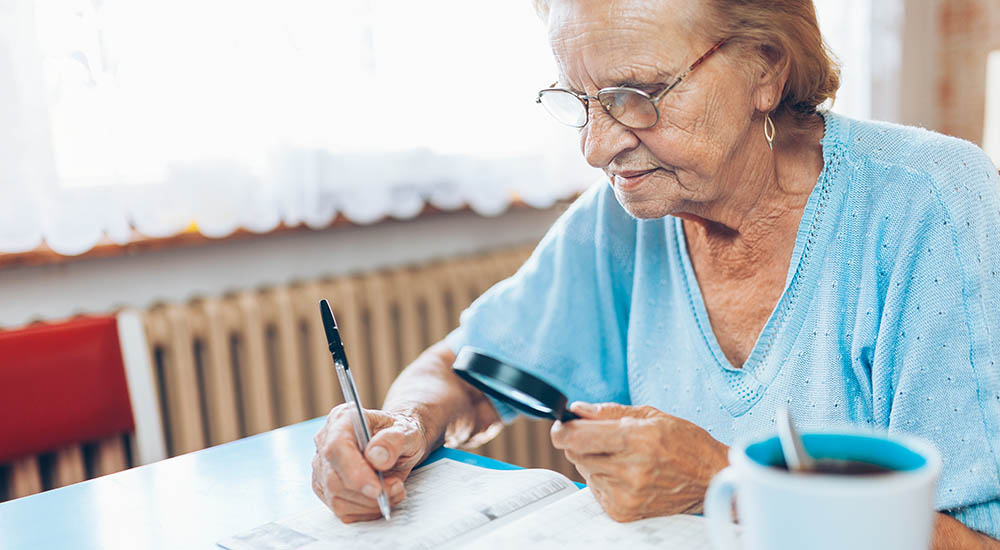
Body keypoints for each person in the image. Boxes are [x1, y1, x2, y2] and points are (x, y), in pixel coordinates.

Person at [311, 0, 1000, 545]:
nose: (594, 147)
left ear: (765, 68)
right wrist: (399, 428)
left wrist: (721, 482)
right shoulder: (624, 215)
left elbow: (977, 542)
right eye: (579, 101)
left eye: (636, 94)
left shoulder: (929, 201)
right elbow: (466, 372)